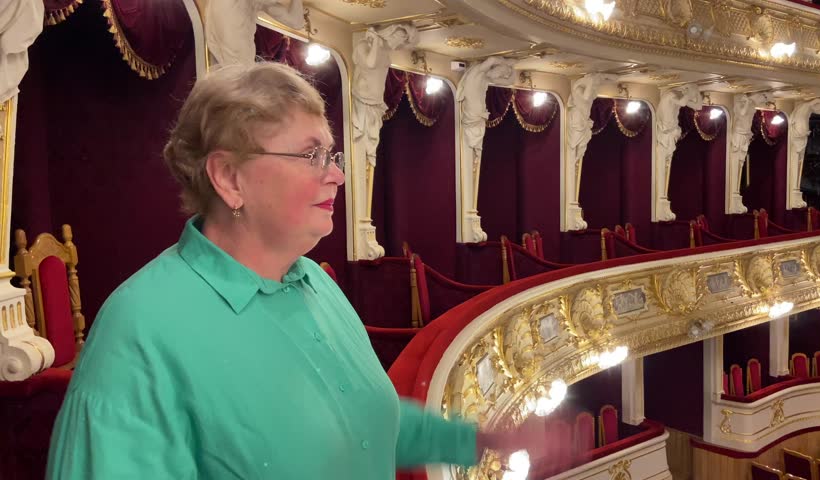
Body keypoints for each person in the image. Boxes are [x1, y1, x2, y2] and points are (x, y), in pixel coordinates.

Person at [45, 62, 538, 479]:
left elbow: (365, 425)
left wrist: (478, 440)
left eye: (331, 154)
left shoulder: (316, 282)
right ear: (229, 177)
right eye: (311, 155)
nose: (337, 174)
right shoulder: (140, 330)